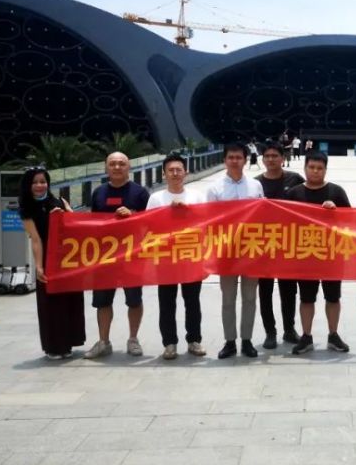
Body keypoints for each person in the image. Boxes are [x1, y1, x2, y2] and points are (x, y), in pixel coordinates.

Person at [285, 150, 351, 354]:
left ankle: (333, 335)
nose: (315, 171)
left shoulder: (336, 192)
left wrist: (336, 211)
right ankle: (306, 336)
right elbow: (284, 224)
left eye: (319, 168)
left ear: (325, 169)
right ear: (304, 168)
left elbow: (352, 221)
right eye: (311, 167)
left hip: (331, 255)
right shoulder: (294, 193)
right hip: (305, 255)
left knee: (333, 297)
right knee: (306, 298)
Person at [85, 151, 150, 359]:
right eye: (112, 164)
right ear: (106, 167)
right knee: (102, 301)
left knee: (134, 299)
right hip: (105, 257)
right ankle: (103, 341)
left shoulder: (140, 193)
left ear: (128, 167)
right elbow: (91, 222)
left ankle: (133, 339)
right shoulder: (98, 193)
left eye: (121, 163)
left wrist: (133, 216)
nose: (117, 167)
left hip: (132, 255)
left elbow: (150, 223)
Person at [204, 142, 265, 359]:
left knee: (250, 298)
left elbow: (262, 217)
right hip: (226, 252)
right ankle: (230, 341)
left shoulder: (255, 186)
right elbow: (209, 220)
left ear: (246, 160)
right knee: (228, 298)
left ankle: (247, 340)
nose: (235, 161)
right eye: (231, 157)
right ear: (225, 160)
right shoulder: (214, 188)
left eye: (239, 157)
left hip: (250, 250)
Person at [19, 167, 85, 359]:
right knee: (51, 303)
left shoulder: (60, 201)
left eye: (43, 181)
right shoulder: (26, 210)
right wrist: (39, 266)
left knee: (70, 300)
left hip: (68, 257)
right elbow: (36, 239)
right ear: (28, 186)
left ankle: (69, 342)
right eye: (35, 182)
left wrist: (63, 214)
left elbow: (75, 224)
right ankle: (54, 346)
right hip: (49, 258)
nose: (40, 186)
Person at [146, 152, 206, 360]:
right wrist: (168, 214)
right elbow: (148, 226)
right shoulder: (156, 198)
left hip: (190, 256)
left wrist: (188, 213)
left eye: (178, 170)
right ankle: (169, 343)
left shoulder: (197, 196)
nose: (174, 173)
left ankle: (194, 340)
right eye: (170, 170)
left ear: (186, 172)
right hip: (165, 258)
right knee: (166, 302)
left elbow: (205, 224)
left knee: (192, 301)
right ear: (164, 174)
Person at [255, 141, 304, 349]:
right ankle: (270, 332)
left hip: (288, 244)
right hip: (263, 245)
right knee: (265, 290)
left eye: (275, 155)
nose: (271, 159)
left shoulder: (295, 179)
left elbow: (307, 204)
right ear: (263, 159)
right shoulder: (255, 184)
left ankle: (289, 329)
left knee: (288, 289)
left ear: (283, 158)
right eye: (267, 156)